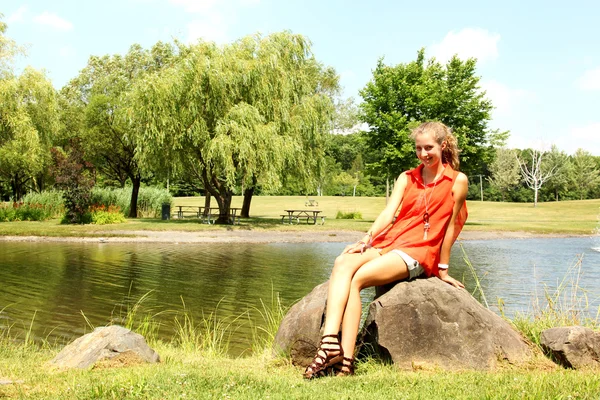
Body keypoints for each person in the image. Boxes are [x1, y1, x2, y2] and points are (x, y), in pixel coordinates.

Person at [303, 121, 469, 379]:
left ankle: (346, 362)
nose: (423, 154)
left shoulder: (457, 181)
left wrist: (443, 269)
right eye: (418, 148)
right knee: (342, 262)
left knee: (357, 279)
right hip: (392, 240)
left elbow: (449, 229)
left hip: (418, 251)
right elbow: (388, 214)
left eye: (429, 148)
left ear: (442, 146)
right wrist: (366, 239)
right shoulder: (407, 177)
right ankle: (329, 343)